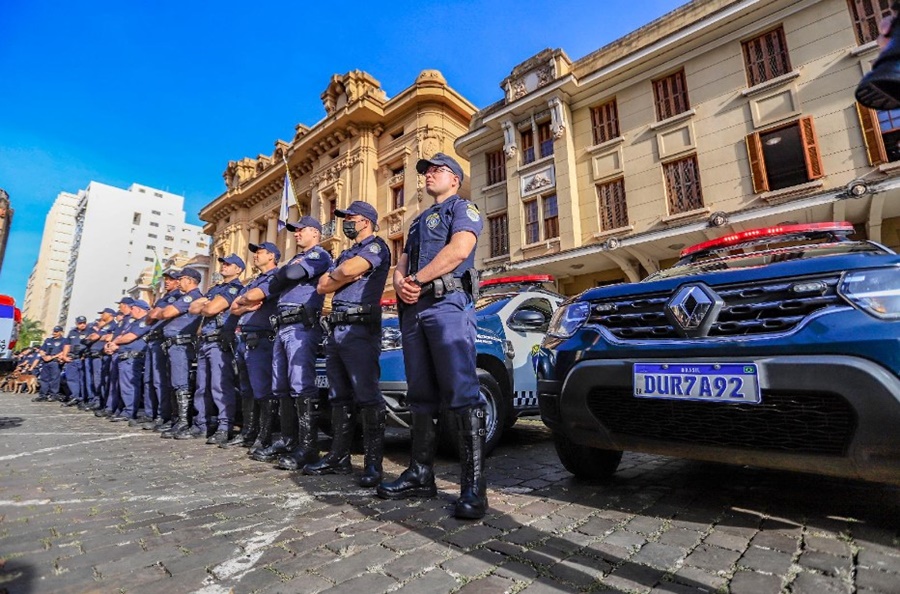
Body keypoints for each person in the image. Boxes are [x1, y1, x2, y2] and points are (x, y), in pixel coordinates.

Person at [375, 153, 488, 519]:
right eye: (425, 172)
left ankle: (474, 488)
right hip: (414, 310)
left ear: (454, 178)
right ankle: (421, 473)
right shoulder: (418, 220)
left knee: (461, 392)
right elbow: (403, 261)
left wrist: (416, 281)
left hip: (446, 304)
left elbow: (459, 250)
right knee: (420, 393)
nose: (427, 177)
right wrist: (399, 283)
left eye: (436, 171)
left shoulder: (463, 208)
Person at [303, 202, 390, 487]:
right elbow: (323, 286)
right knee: (338, 396)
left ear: (365, 221)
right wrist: (342, 274)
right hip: (337, 328)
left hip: (360, 328)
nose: (346, 222)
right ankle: (339, 458)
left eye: (350, 218)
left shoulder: (377, 246)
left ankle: (373, 464)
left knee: (367, 395)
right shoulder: (347, 252)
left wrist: (341, 273)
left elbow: (348, 271)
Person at [256, 217, 332, 467]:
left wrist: (285, 274)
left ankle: (308, 447)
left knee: (301, 384)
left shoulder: (319, 255)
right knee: (281, 386)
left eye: (300, 230)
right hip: (282, 327)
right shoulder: (296, 258)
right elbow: (278, 281)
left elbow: (288, 274)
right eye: (295, 231)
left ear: (315, 232)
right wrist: (284, 275)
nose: (296, 234)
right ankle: (289, 440)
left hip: (301, 325)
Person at [226, 242, 280, 452]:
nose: (255, 256)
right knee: (246, 389)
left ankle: (264, 436)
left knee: (262, 390)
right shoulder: (254, 281)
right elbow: (234, 307)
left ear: (272, 256)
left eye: (259, 252)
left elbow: (253, 299)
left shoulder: (275, 277)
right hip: (244, 339)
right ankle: (249, 432)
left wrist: (245, 302)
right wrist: (245, 303)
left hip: (262, 339)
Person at [188, 254, 245, 445]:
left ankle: (224, 426)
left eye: (229, 264)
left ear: (238, 269)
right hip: (205, 341)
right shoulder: (216, 289)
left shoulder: (235, 287)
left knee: (220, 385)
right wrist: (207, 304)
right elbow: (193, 308)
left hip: (220, 342)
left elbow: (211, 309)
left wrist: (207, 305)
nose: (224, 266)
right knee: (201, 386)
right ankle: (200, 424)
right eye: (224, 263)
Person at [158, 268, 203, 439]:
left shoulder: (191, 297)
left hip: (182, 344)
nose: (178, 282)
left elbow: (166, 313)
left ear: (190, 280)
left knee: (181, 383)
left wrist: (163, 311)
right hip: (174, 345)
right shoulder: (184, 297)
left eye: (181, 279)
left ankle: (183, 421)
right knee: (175, 384)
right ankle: (177, 419)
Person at [143, 269, 182, 430]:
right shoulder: (164, 298)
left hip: (163, 340)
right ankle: (151, 413)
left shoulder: (178, 296)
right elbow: (148, 318)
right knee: (149, 380)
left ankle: (163, 415)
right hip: (153, 340)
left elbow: (163, 314)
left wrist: (156, 313)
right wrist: (155, 313)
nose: (167, 282)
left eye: (171, 279)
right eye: (166, 279)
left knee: (161, 381)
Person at [106, 300, 153, 421]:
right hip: (125, 355)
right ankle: (124, 410)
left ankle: (129, 411)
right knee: (124, 385)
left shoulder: (144, 321)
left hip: (133, 357)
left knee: (129, 385)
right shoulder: (134, 323)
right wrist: (113, 345)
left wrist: (115, 342)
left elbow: (130, 337)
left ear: (138, 309)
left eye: (132, 309)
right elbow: (122, 336)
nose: (130, 311)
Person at [60, 316, 90, 407]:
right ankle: (75, 397)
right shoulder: (72, 332)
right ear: (76, 323)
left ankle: (83, 399)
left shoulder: (89, 331)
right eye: (80, 323)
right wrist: (64, 356)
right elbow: (67, 344)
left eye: (84, 323)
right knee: (72, 379)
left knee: (83, 379)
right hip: (72, 358)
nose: (82, 325)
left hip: (83, 358)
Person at [34, 326, 66, 402]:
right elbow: (42, 350)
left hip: (55, 361)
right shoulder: (48, 340)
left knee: (54, 379)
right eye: (54, 331)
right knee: (44, 379)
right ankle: (43, 395)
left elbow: (64, 351)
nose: (54, 333)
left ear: (61, 332)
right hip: (45, 361)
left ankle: (53, 394)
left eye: (57, 331)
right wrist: (44, 356)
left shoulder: (64, 340)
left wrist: (52, 357)